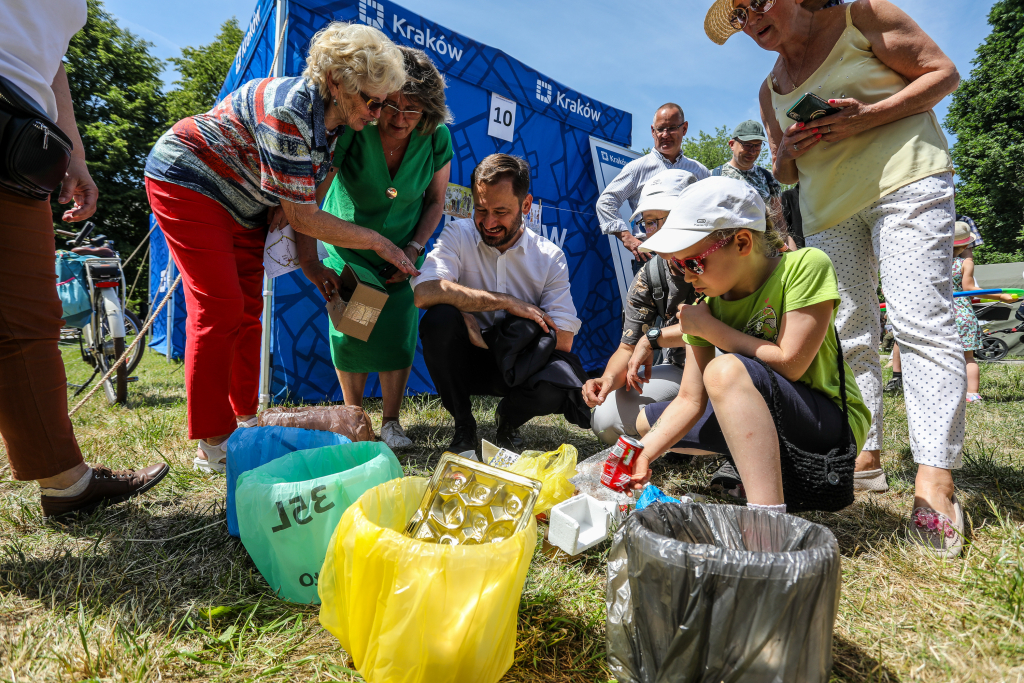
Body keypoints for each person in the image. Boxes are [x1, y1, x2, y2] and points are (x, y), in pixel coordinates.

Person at [706, 0, 966, 555]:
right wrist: (788, 151)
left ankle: (935, 479)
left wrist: (866, 116)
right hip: (827, 208)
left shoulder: (861, 16)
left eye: (756, 3)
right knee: (847, 334)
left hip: (905, 179)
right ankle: (864, 454)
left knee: (919, 320)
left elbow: (943, 73)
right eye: (739, 15)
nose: (750, 19)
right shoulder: (769, 88)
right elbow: (783, 170)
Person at [145, 23, 411, 473]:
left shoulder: (334, 124)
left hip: (245, 202)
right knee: (220, 308)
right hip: (189, 181)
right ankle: (212, 441)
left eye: (383, 102)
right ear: (336, 81)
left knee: (250, 312)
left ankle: (244, 419)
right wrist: (379, 243)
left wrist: (310, 262)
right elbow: (303, 216)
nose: (378, 113)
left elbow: (304, 205)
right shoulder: (289, 110)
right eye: (372, 101)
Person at [0, 0, 168, 518]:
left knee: (29, 320)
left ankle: (65, 482)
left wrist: (74, 153)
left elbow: (51, 60)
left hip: (19, 143)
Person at [627, 178, 874, 526]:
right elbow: (689, 400)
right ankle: (755, 468)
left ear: (742, 242)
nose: (687, 277)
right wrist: (644, 454)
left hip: (828, 425)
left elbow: (791, 363)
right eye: (679, 266)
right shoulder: (708, 306)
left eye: (694, 263)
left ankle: (767, 523)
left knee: (724, 370)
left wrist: (710, 329)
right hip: (771, 417)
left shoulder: (804, 265)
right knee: (647, 424)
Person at [296, 46, 452, 450]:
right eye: (392, 106)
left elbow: (436, 201)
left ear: (429, 110)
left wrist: (414, 248)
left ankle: (392, 423)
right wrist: (308, 251)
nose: (400, 119)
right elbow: (316, 196)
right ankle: (355, 419)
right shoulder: (357, 127)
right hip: (352, 249)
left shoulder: (437, 137)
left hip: (403, 253)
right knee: (355, 330)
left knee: (397, 331)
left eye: (413, 110)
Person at [413, 154, 584, 453]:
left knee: (558, 381)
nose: (489, 222)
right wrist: (505, 303)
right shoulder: (458, 233)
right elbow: (424, 292)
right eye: (481, 210)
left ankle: (509, 419)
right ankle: (463, 425)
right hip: (466, 359)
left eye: (501, 212)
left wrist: (505, 339)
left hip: (519, 364)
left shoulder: (550, 256)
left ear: (526, 205)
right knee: (440, 320)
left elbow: (565, 338)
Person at [584, 169, 698, 444]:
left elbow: (718, 326)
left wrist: (654, 339)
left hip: (733, 369)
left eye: (665, 218)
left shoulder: (722, 258)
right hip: (682, 369)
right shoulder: (651, 274)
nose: (656, 230)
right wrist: (607, 379)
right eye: (648, 222)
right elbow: (628, 346)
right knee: (605, 420)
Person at [596, 104, 709, 266]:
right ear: (652, 131)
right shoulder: (637, 168)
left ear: (684, 128)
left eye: (672, 128)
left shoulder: (699, 171)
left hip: (690, 254)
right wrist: (627, 237)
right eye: (660, 129)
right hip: (651, 256)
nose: (665, 134)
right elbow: (606, 202)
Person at [951, 222, 1016, 402]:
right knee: (968, 357)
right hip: (961, 314)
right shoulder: (965, 263)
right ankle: (972, 394)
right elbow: (969, 289)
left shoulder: (931, 263)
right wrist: (1000, 296)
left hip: (938, 314)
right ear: (965, 245)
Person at [711, 120, 782, 209]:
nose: (752, 152)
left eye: (757, 145)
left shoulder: (770, 178)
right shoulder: (712, 176)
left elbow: (778, 216)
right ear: (732, 144)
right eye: (747, 145)